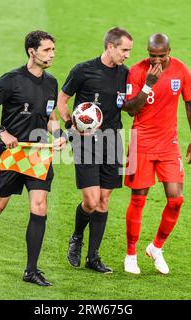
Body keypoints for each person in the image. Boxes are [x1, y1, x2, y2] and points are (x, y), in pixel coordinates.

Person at [0, 30, 66, 287]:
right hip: (13, 154)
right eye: (47, 50)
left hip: (39, 154)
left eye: (53, 49)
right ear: (32, 51)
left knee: (39, 206)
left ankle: (31, 270)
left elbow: (51, 118)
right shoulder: (12, 80)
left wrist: (59, 134)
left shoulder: (52, 83)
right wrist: (2, 132)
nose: (52, 54)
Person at [57, 27, 133, 273]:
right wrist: (71, 125)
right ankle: (77, 237)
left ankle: (93, 257)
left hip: (113, 140)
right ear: (110, 46)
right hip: (85, 142)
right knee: (90, 201)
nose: (127, 55)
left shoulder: (126, 74)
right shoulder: (83, 70)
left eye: (129, 51)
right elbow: (61, 100)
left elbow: (131, 106)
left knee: (104, 201)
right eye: (124, 50)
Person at [121, 33, 191, 275]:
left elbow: (190, 104)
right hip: (141, 142)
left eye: (161, 56)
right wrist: (148, 85)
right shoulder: (136, 71)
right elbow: (130, 109)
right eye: (152, 56)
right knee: (138, 199)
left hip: (169, 144)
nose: (156, 61)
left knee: (176, 199)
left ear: (169, 52)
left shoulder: (181, 70)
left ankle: (156, 247)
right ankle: (131, 255)